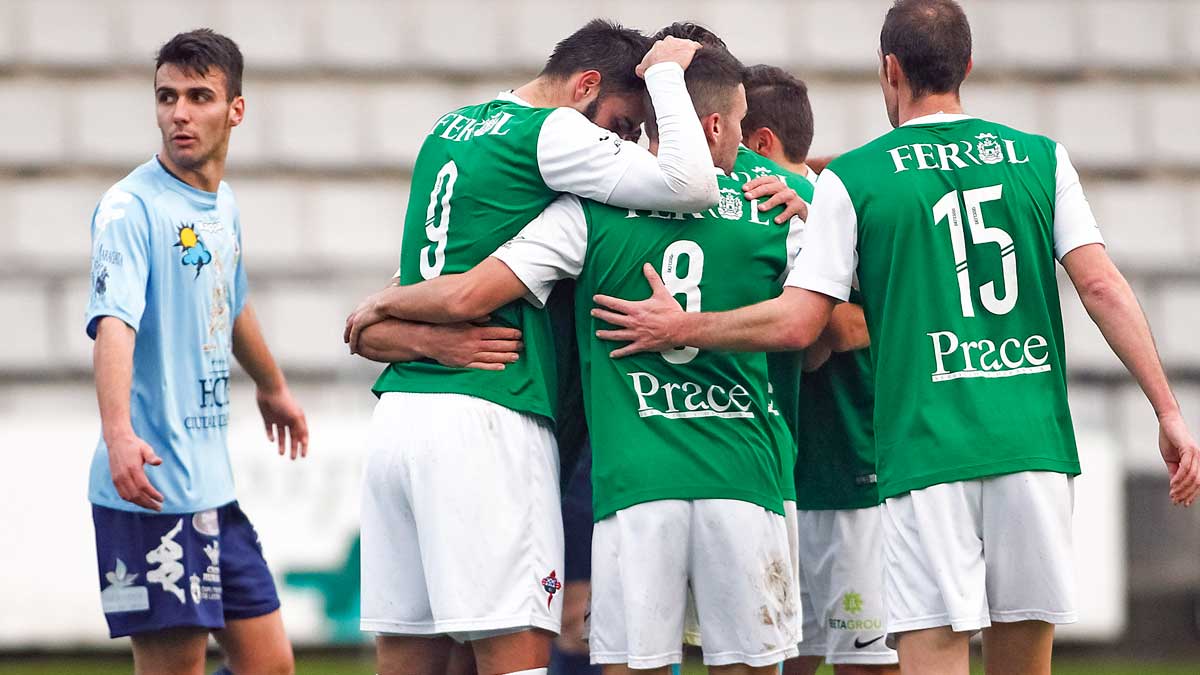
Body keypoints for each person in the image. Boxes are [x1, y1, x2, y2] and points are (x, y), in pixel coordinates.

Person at [585, 2, 1200, 674]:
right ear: (966, 65)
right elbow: (1103, 287)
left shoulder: (859, 177)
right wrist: (1168, 412)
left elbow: (798, 323)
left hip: (927, 456)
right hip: (1033, 447)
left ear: (890, 69)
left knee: (931, 654)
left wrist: (682, 327)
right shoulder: (1041, 158)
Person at [344, 44, 802, 674]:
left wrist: (394, 315)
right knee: (518, 653)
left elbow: (394, 321)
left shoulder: (456, 136)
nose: (617, 144)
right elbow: (697, 192)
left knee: (417, 652)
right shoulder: (562, 143)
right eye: (616, 127)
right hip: (501, 418)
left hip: (409, 416)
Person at [86, 29, 308, 675]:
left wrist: (272, 386)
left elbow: (230, 297)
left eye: (199, 96)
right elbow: (113, 323)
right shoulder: (129, 209)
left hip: (211, 488)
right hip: (150, 489)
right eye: (167, 96)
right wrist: (119, 433)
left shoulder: (222, 203)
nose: (179, 112)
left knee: (271, 665)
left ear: (235, 109)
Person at [737, 64, 899, 675]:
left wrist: (812, 226)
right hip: (773, 477)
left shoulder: (845, 203)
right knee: (780, 660)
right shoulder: (732, 213)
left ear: (758, 145)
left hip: (851, 476)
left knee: (867, 661)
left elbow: (842, 330)